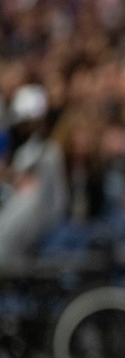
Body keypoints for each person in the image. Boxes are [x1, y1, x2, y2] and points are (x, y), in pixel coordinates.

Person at [0, 84, 68, 262]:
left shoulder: (48, 153)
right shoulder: (21, 151)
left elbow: (55, 201)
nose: (26, 128)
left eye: (30, 123)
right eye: (23, 124)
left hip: (38, 225)